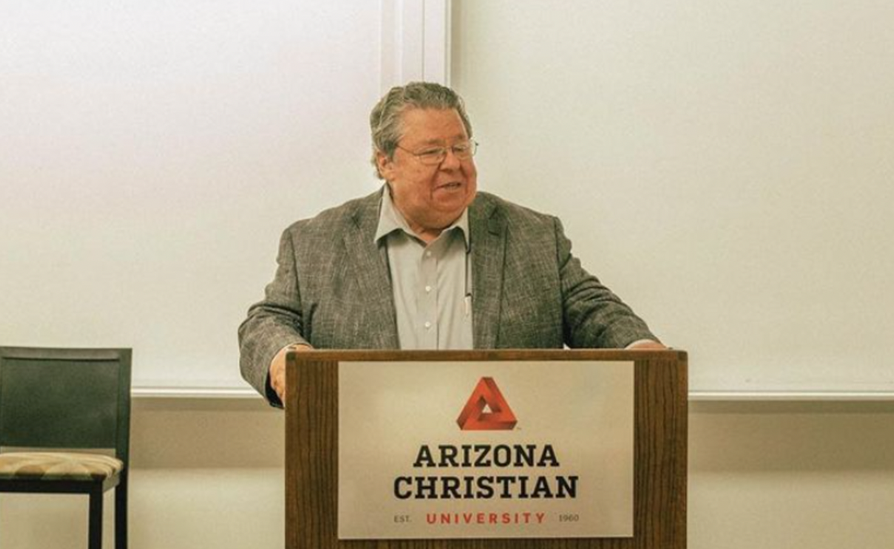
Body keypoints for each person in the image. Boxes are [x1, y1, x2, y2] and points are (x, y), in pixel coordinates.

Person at [238, 82, 663, 408]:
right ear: (385, 162)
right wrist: (284, 357)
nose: (454, 164)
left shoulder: (533, 236)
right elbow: (266, 321)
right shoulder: (317, 241)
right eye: (432, 151)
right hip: (364, 470)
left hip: (501, 471)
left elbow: (594, 311)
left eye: (461, 146)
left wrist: (643, 352)